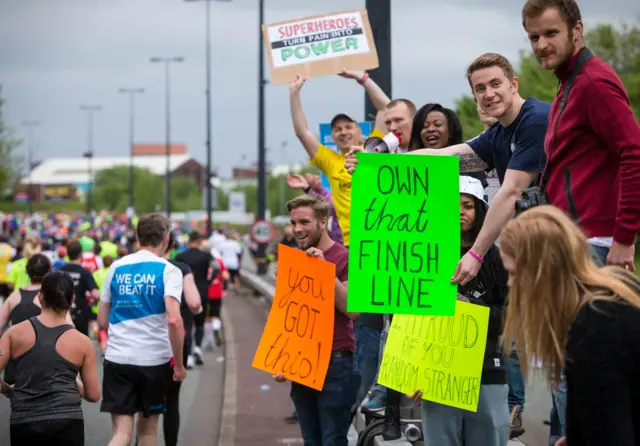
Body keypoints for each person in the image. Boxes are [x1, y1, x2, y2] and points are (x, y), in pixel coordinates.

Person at [345, 53, 549, 289]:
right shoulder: (498, 133)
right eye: (480, 88)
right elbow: (443, 157)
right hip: (539, 246)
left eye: (495, 84)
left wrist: (475, 254)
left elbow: (511, 192)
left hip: (574, 242)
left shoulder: (534, 119)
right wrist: (374, 162)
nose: (489, 94)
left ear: (513, 85)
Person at [500, 205, 640, 446]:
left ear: (542, 268)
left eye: (513, 273)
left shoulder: (593, 327)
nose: (510, 284)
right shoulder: (615, 289)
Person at [521, 0, 640, 270]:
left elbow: (635, 152)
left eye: (551, 33)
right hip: (573, 240)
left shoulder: (593, 82)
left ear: (577, 30)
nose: (541, 45)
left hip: (595, 244)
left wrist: (624, 237)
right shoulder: (569, 82)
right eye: (534, 37)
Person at [411, 176, 510, 445]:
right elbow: (407, 319)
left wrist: (471, 310)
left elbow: (513, 318)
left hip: (486, 373)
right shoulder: (421, 258)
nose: (459, 212)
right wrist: (411, 373)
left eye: (467, 206)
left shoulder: (497, 259)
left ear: (480, 211)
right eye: (452, 205)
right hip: (436, 376)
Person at [273, 194, 360, 445]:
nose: (297, 229)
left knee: (333, 439)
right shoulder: (295, 259)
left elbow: (352, 310)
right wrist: (282, 358)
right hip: (302, 363)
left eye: (304, 222)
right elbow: (289, 317)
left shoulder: (346, 258)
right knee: (311, 440)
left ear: (323, 222)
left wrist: (324, 271)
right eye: (294, 223)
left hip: (336, 363)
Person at [98, 213, 186, 446]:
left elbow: (102, 322)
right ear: (166, 239)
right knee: (147, 433)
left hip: (118, 358)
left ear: (137, 237)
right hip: (154, 361)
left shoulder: (116, 267)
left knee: (121, 434)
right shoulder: (169, 271)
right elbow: (175, 320)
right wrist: (178, 364)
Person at [0, 271, 101, 446]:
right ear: (71, 301)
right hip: (67, 421)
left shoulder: (14, 333)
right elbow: (93, 395)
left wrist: (7, 390)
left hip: (24, 420)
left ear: (40, 297)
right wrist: (73, 381)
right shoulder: (83, 342)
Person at [163, 232, 203, 446]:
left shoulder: (137, 266)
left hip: (145, 344)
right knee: (172, 400)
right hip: (177, 340)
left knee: (145, 402)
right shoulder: (180, 268)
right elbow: (194, 303)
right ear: (174, 245)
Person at [176, 231, 215, 366]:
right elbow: (216, 267)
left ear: (188, 241)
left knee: (187, 324)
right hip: (202, 292)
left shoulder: (181, 256)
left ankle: (188, 354)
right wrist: (209, 281)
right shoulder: (206, 256)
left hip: (184, 293)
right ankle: (198, 348)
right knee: (199, 323)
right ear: (199, 242)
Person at [59, 241, 101, 336]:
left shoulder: (59, 271)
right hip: (80, 314)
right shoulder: (84, 273)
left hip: (62, 313)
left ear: (67, 254)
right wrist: (93, 302)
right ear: (81, 254)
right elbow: (96, 294)